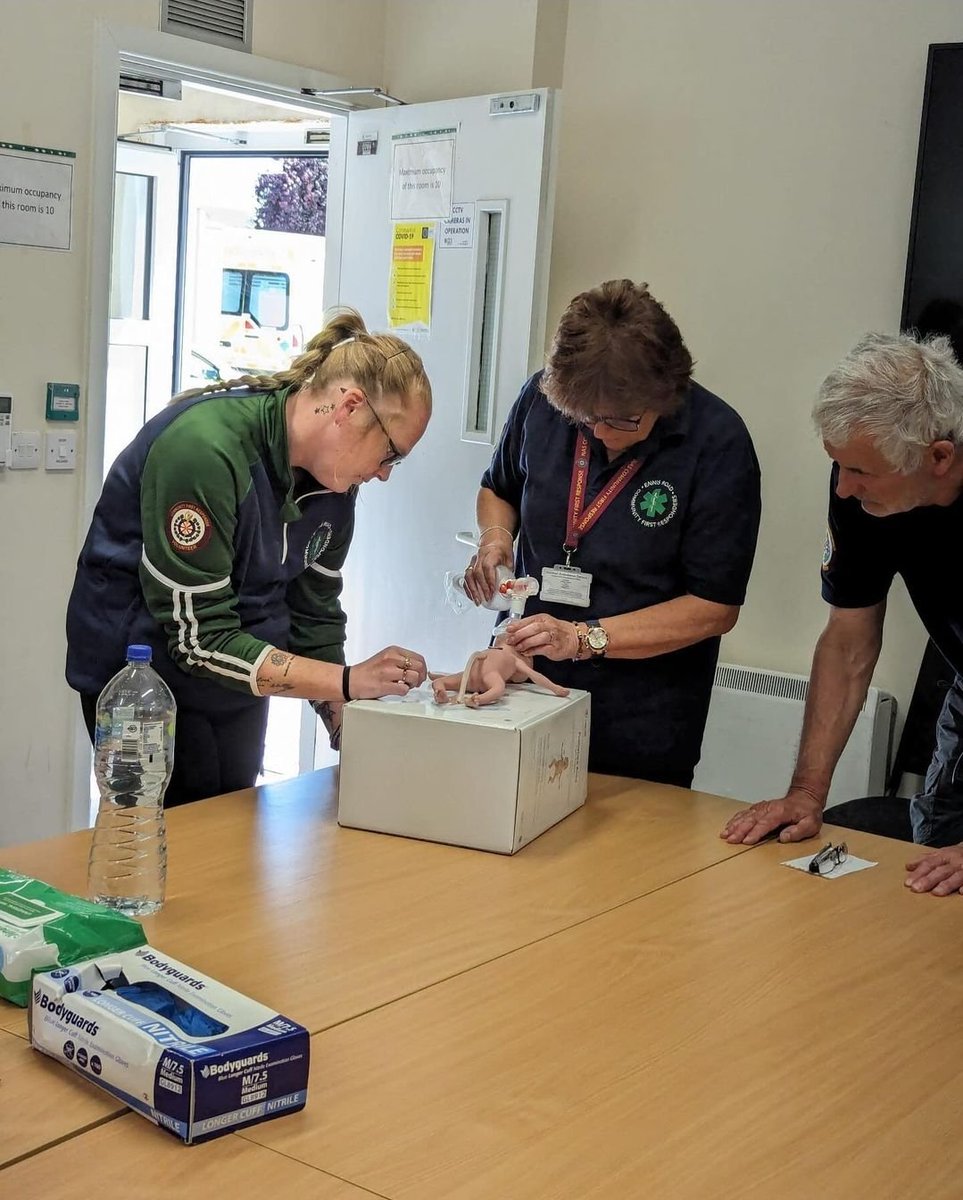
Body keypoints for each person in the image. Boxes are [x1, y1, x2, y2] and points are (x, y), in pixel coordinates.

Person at [66, 308, 432, 806]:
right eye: (391, 454)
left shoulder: (334, 482)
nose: (385, 473)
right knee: (163, 844)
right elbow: (197, 639)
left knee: (234, 834)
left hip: (239, 672)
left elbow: (314, 610)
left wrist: (343, 714)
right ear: (348, 408)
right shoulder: (205, 450)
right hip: (144, 674)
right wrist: (347, 680)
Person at [461, 279, 762, 786]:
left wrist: (583, 638)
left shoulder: (718, 444)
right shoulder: (543, 404)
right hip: (522, 683)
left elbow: (715, 607)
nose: (599, 433)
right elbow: (499, 488)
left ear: (665, 395)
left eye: (620, 420)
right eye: (585, 419)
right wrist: (495, 539)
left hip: (641, 718)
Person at [720, 331, 963, 897]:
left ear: (940, 457)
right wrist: (806, 792)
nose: (845, 488)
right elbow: (849, 641)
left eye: (862, 472)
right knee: (937, 868)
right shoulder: (860, 489)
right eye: (839, 466)